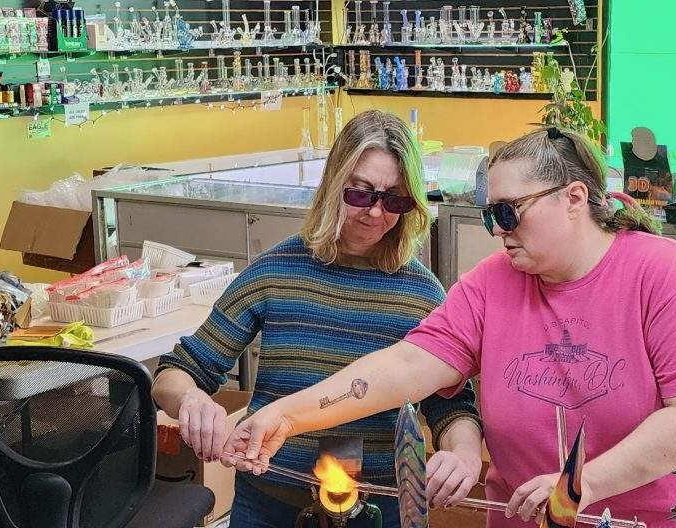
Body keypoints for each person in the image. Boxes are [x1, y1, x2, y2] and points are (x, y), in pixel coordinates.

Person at [220, 126, 676, 527]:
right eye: (491, 216)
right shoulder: (493, 282)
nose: (498, 231)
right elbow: (408, 364)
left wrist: (577, 486)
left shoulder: (664, 274)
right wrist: (286, 416)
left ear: (574, 198)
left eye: (509, 212)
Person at [152, 110, 485, 527]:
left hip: (377, 511)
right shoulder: (277, 270)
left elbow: (452, 407)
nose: (375, 214)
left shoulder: (422, 294)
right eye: (360, 193)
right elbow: (176, 372)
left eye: (394, 200)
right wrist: (190, 399)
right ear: (331, 185)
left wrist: (463, 453)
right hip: (269, 506)